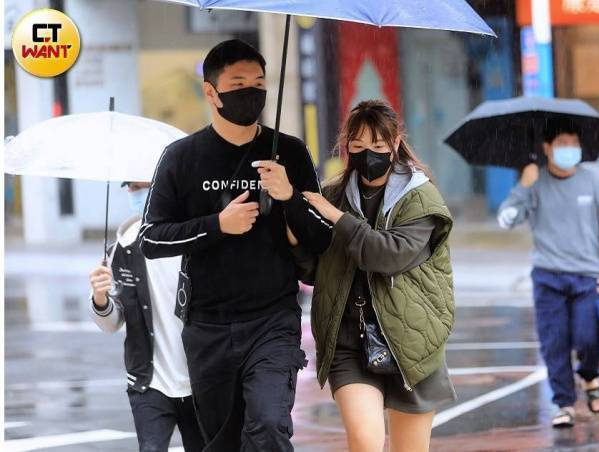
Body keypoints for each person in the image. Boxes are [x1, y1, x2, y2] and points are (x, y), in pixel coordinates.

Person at [139, 39, 333, 450]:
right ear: (211, 92)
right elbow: (151, 238)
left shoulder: (290, 152)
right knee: (220, 441)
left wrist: (289, 197)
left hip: (273, 321)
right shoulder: (181, 157)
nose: (252, 91)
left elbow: (323, 238)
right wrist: (217, 225)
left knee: (268, 425)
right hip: (207, 325)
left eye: (259, 82)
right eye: (239, 82)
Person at [301, 100, 456, 452]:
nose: (366, 155)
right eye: (356, 147)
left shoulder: (420, 197)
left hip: (411, 342)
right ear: (346, 147)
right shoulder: (333, 195)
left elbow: (386, 255)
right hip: (348, 342)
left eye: (377, 147)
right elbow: (313, 269)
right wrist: (296, 236)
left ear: (396, 143)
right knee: (365, 441)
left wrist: (337, 219)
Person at [497, 123, 599, 428]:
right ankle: (564, 403)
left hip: (587, 277)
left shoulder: (593, 182)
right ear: (546, 147)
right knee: (554, 343)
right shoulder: (535, 182)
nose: (570, 147)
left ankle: (590, 374)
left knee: (588, 337)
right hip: (548, 278)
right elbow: (506, 220)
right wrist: (523, 186)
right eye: (562, 142)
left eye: (574, 142)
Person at [88, 181, 204, 452]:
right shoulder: (123, 248)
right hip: (149, 383)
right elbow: (112, 323)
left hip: (199, 381)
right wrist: (100, 297)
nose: (137, 194)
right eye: (131, 187)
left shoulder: (193, 236)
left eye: (143, 186)